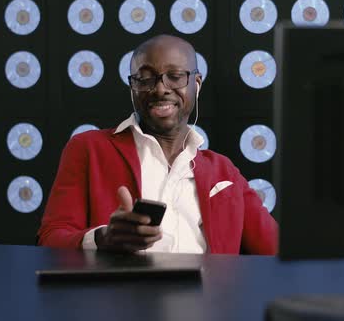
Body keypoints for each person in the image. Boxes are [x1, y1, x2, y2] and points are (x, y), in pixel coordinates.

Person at [37, 35, 278, 255]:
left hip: (210, 300)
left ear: (197, 84)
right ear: (132, 86)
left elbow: (277, 249)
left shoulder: (224, 171)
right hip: (119, 300)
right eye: (145, 79)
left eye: (175, 77)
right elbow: (50, 240)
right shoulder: (88, 149)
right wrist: (102, 238)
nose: (160, 89)